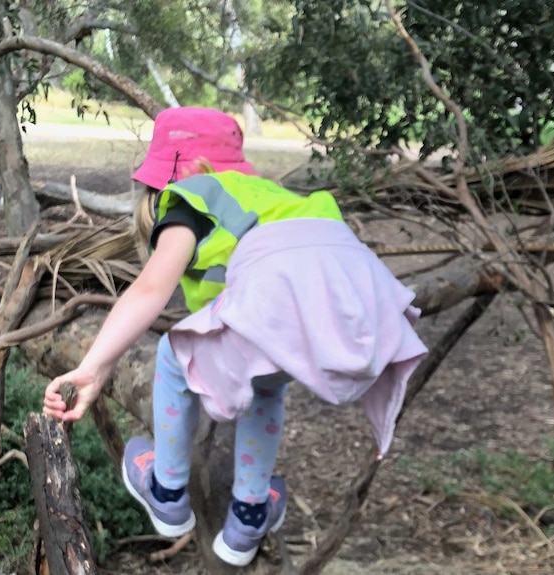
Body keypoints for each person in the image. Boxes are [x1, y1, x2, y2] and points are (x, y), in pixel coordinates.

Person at [42, 107, 428, 566]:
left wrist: (93, 366)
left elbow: (150, 289)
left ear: (174, 177)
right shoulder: (271, 197)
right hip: (352, 312)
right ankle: (249, 513)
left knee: (172, 354)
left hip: (295, 305)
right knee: (265, 381)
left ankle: (166, 490)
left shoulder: (194, 195)